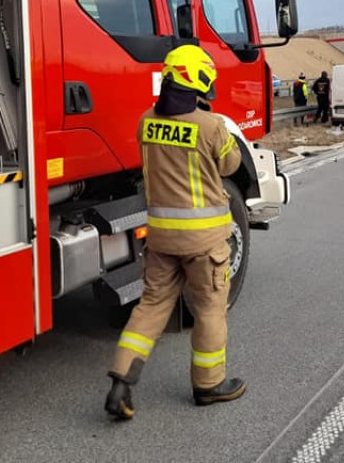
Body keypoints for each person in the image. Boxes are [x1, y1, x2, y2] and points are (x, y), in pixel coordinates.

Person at [104, 45, 245, 419]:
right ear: (196, 80)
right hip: (205, 241)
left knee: (150, 307)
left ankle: (121, 384)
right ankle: (209, 385)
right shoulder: (211, 125)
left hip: (162, 238)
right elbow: (230, 166)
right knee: (210, 310)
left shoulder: (146, 121)